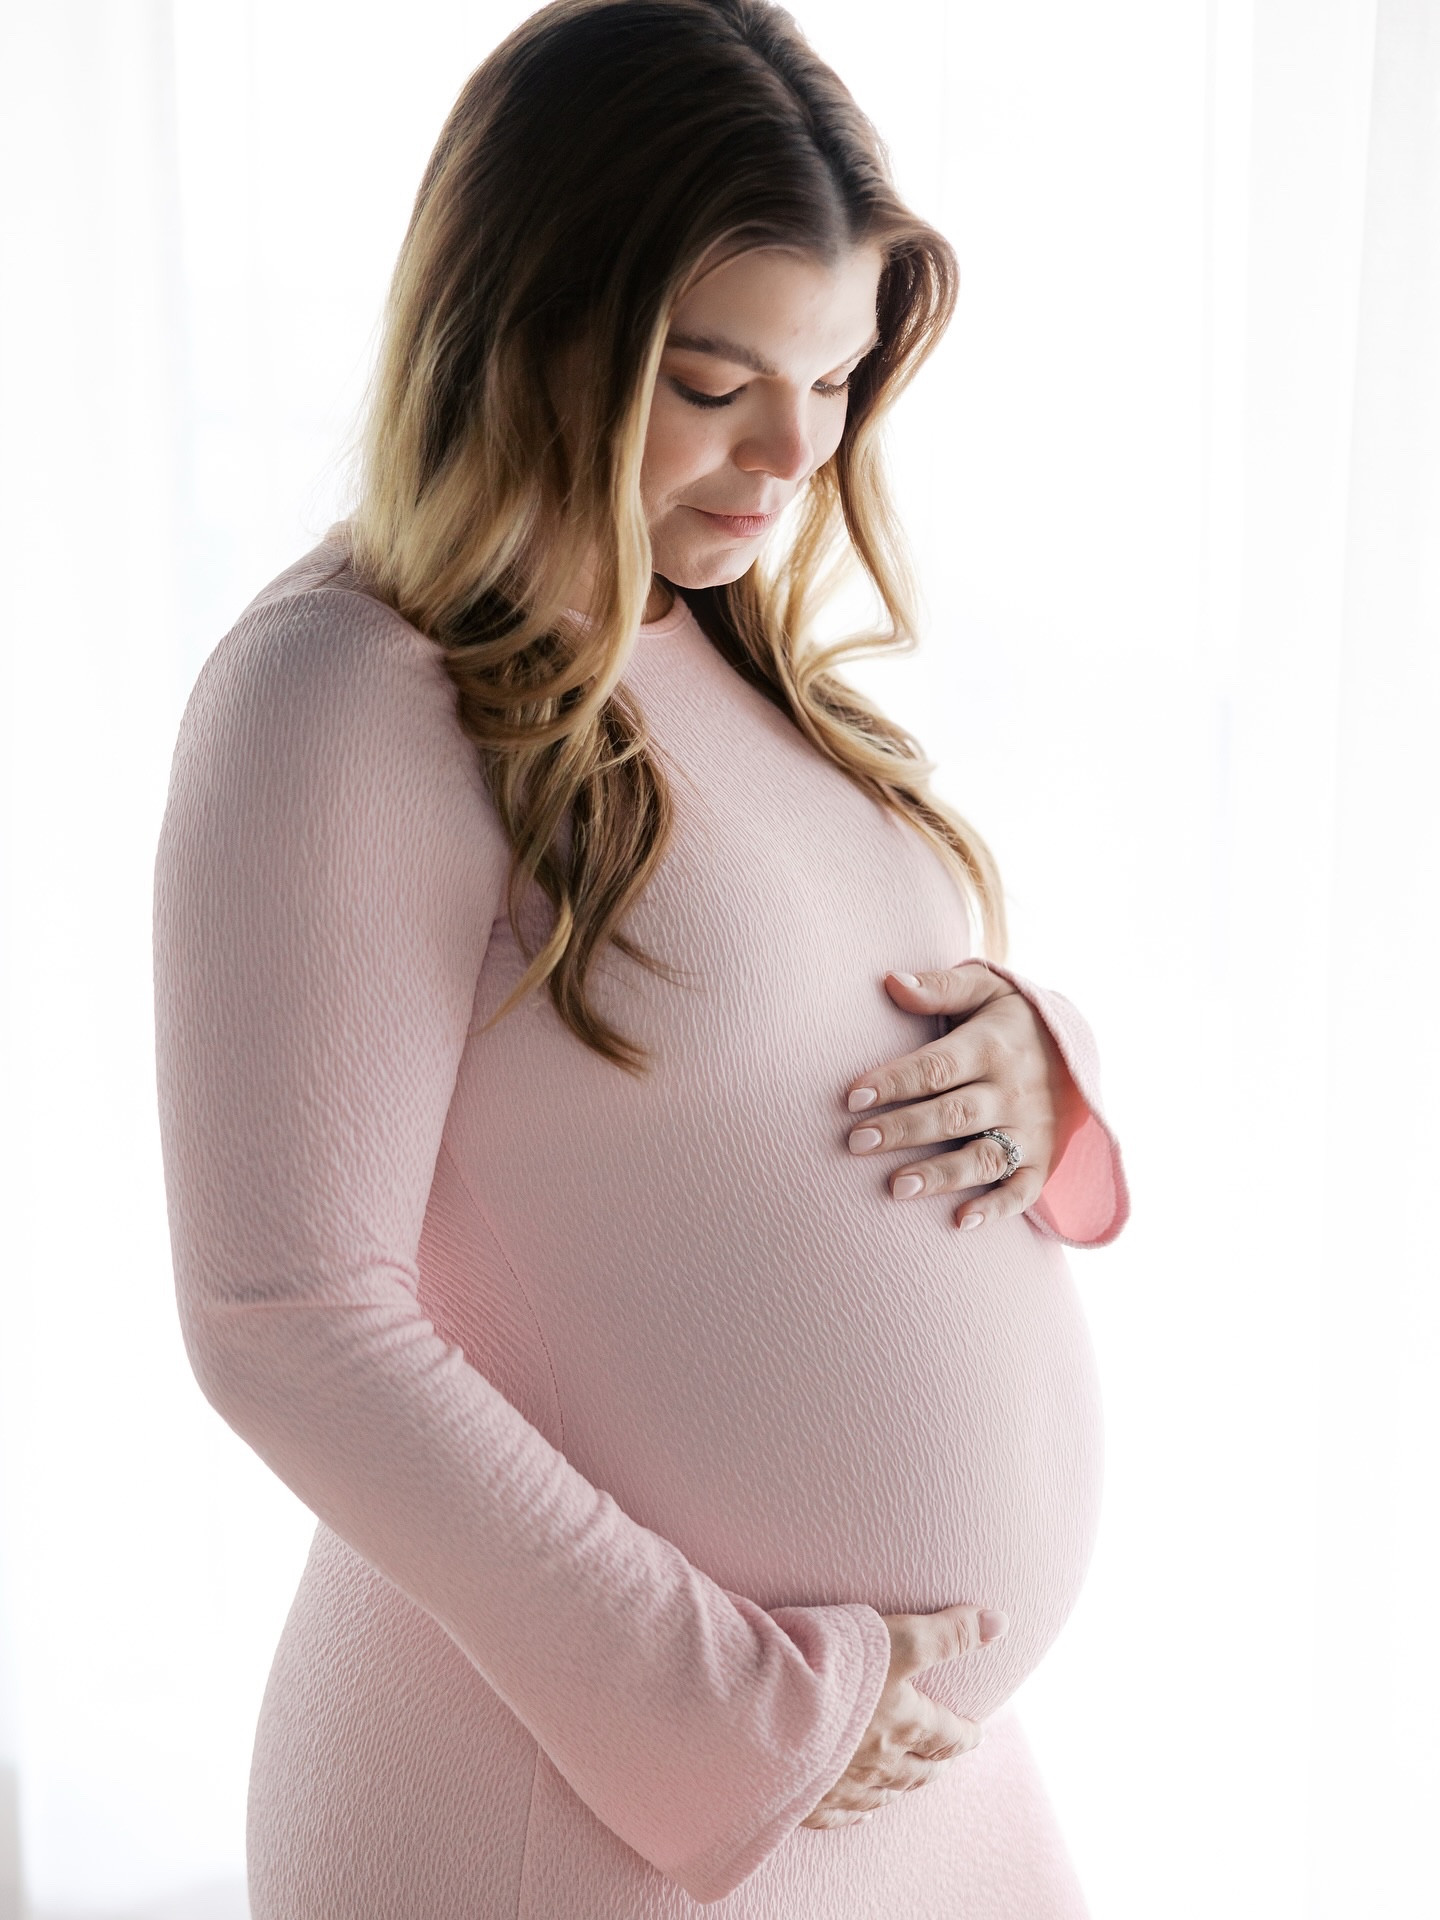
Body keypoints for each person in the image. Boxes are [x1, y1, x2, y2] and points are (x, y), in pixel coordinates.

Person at [151, 1, 1130, 1913]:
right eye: (712, 381)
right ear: (525, 328)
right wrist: (744, 1709)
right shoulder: (348, 697)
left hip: (903, 1784)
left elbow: (778, 1042)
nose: (795, 451)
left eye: (835, 377)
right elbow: (286, 1318)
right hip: (594, 1806)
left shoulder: (708, 634)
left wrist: (1035, 1054)